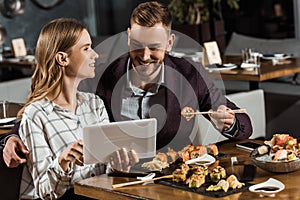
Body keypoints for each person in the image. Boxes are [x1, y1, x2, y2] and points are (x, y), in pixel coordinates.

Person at [96, 1, 253, 151]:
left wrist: (229, 122)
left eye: (154, 47)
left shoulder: (190, 74)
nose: (144, 56)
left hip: (175, 170)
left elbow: (244, 124)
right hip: (120, 174)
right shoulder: (102, 76)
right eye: (137, 45)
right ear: (129, 38)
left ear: (169, 43)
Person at [10, 18, 137, 199]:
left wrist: (118, 166)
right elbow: (45, 191)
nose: (94, 54)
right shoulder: (36, 115)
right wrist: (63, 161)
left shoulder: (95, 105)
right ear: (63, 58)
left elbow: (103, 174)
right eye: (86, 49)